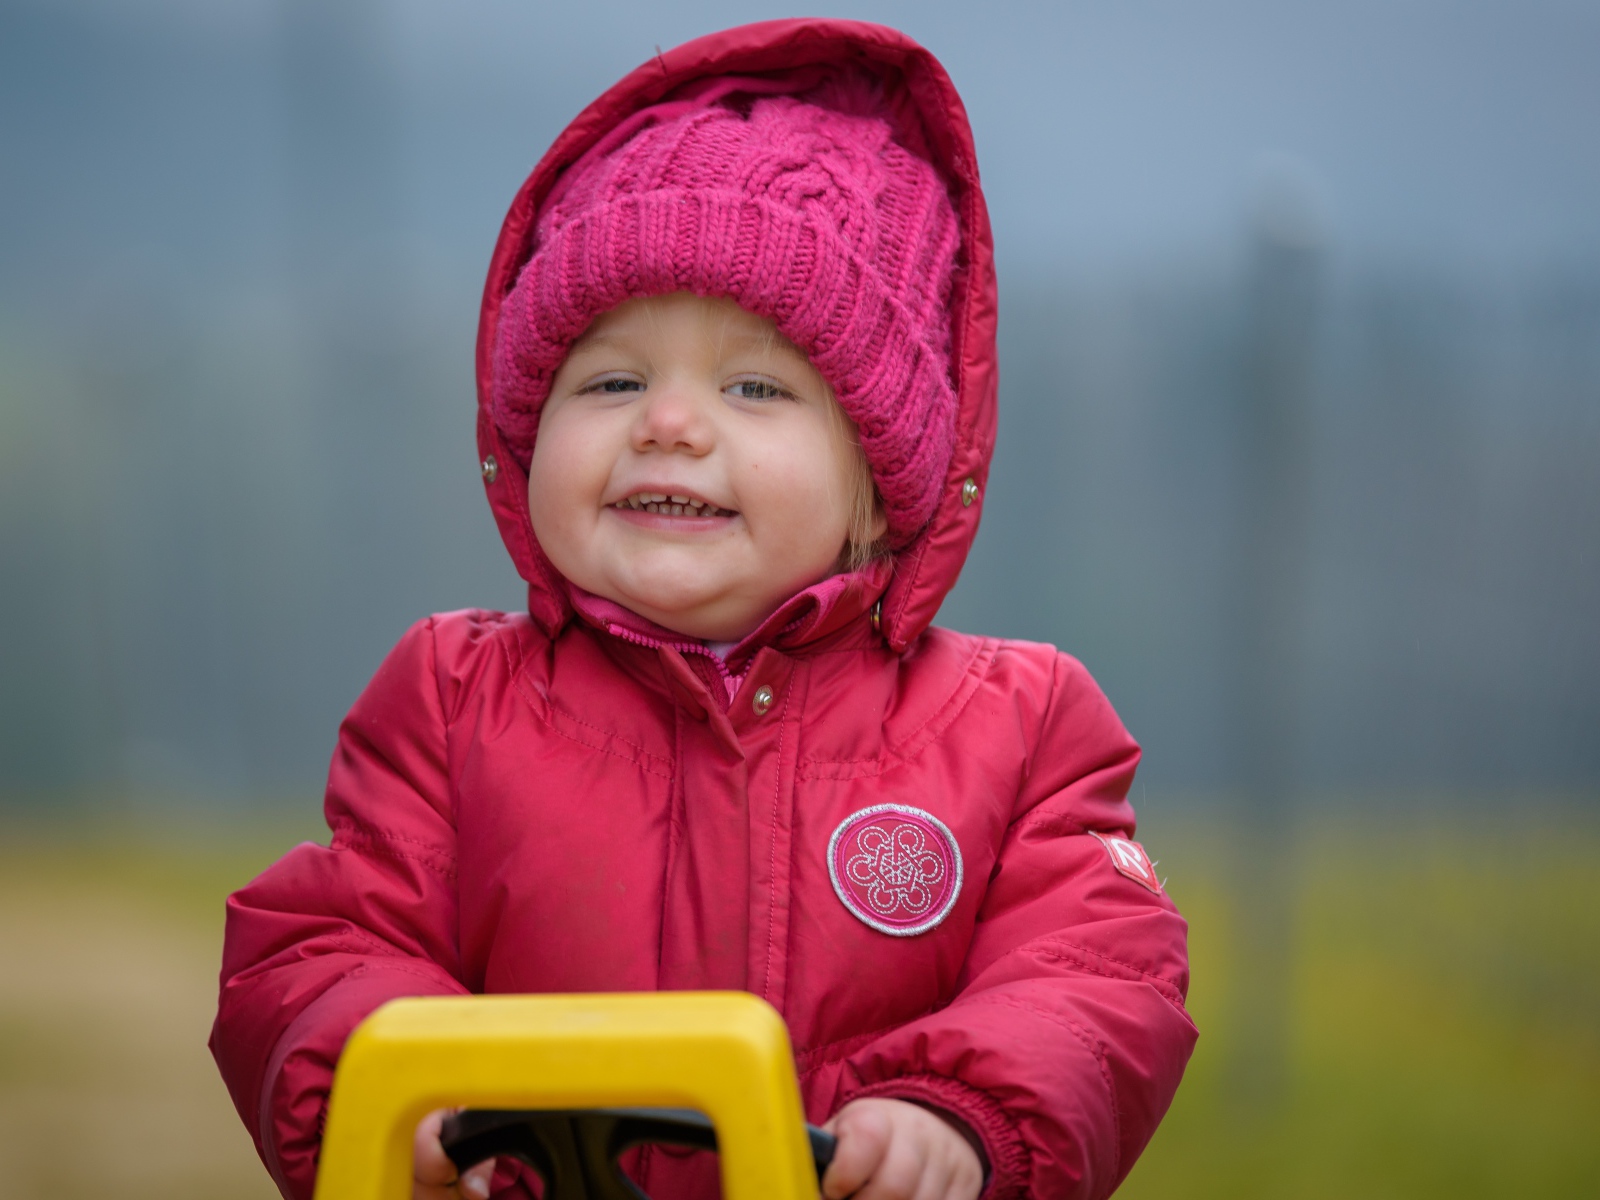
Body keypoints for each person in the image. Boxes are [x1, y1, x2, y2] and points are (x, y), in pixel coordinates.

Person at [210, 19, 1196, 1200]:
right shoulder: (451, 701)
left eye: (754, 386)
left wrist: (958, 1114)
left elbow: (1097, 974)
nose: (669, 423)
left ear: (880, 479)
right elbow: (322, 947)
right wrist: (402, 1090)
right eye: (612, 379)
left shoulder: (1018, 728)